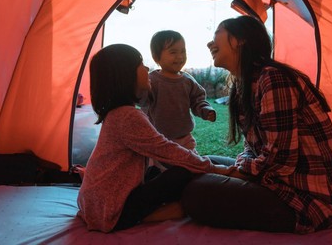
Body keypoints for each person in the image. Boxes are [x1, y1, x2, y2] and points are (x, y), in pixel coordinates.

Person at [181, 15, 332, 234]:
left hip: (308, 202)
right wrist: (234, 169)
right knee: (199, 162)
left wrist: (235, 173)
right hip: (276, 183)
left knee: (198, 191)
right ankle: (155, 199)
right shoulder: (244, 85)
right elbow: (252, 147)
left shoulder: (273, 79)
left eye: (216, 35)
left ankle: (154, 204)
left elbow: (281, 159)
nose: (210, 44)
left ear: (239, 40)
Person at [77, 44, 230, 233]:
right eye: (141, 64)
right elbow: (169, 151)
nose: (147, 69)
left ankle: (148, 210)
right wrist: (218, 169)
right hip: (110, 209)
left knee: (157, 173)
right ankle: (147, 215)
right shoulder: (128, 116)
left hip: (95, 203)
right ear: (125, 75)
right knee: (182, 171)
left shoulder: (117, 113)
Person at [140, 30, 216, 154]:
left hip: (184, 138)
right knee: (160, 170)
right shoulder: (152, 80)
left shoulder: (187, 80)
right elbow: (142, 99)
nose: (180, 56)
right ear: (156, 57)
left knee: (191, 165)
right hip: (157, 139)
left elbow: (198, 100)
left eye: (183, 51)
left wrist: (205, 110)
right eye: (173, 52)